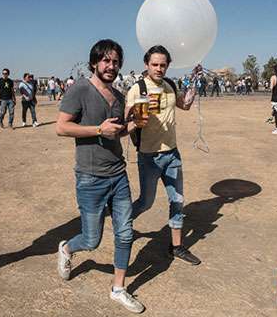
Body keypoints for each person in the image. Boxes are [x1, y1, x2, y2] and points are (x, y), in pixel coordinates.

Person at [55, 39, 145, 314]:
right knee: (92, 240)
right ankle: (67, 250)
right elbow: (61, 127)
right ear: (94, 62)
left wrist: (133, 124)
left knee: (125, 233)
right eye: (106, 60)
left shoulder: (118, 97)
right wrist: (96, 129)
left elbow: (115, 132)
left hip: (118, 174)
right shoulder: (80, 88)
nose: (111, 66)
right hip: (90, 177)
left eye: (116, 61)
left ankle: (119, 289)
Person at [126, 45, 200, 266]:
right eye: (155, 64)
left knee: (177, 201)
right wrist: (138, 115)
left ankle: (176, 247)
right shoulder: (137, 89)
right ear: (146, 65)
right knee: (145, 203)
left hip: (172, 154)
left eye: (163, 65)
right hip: (149, 156)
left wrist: (194, 83)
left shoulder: (169, 85)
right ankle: (123, 222)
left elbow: (185, 105)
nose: (159, 69)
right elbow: (126, 120)